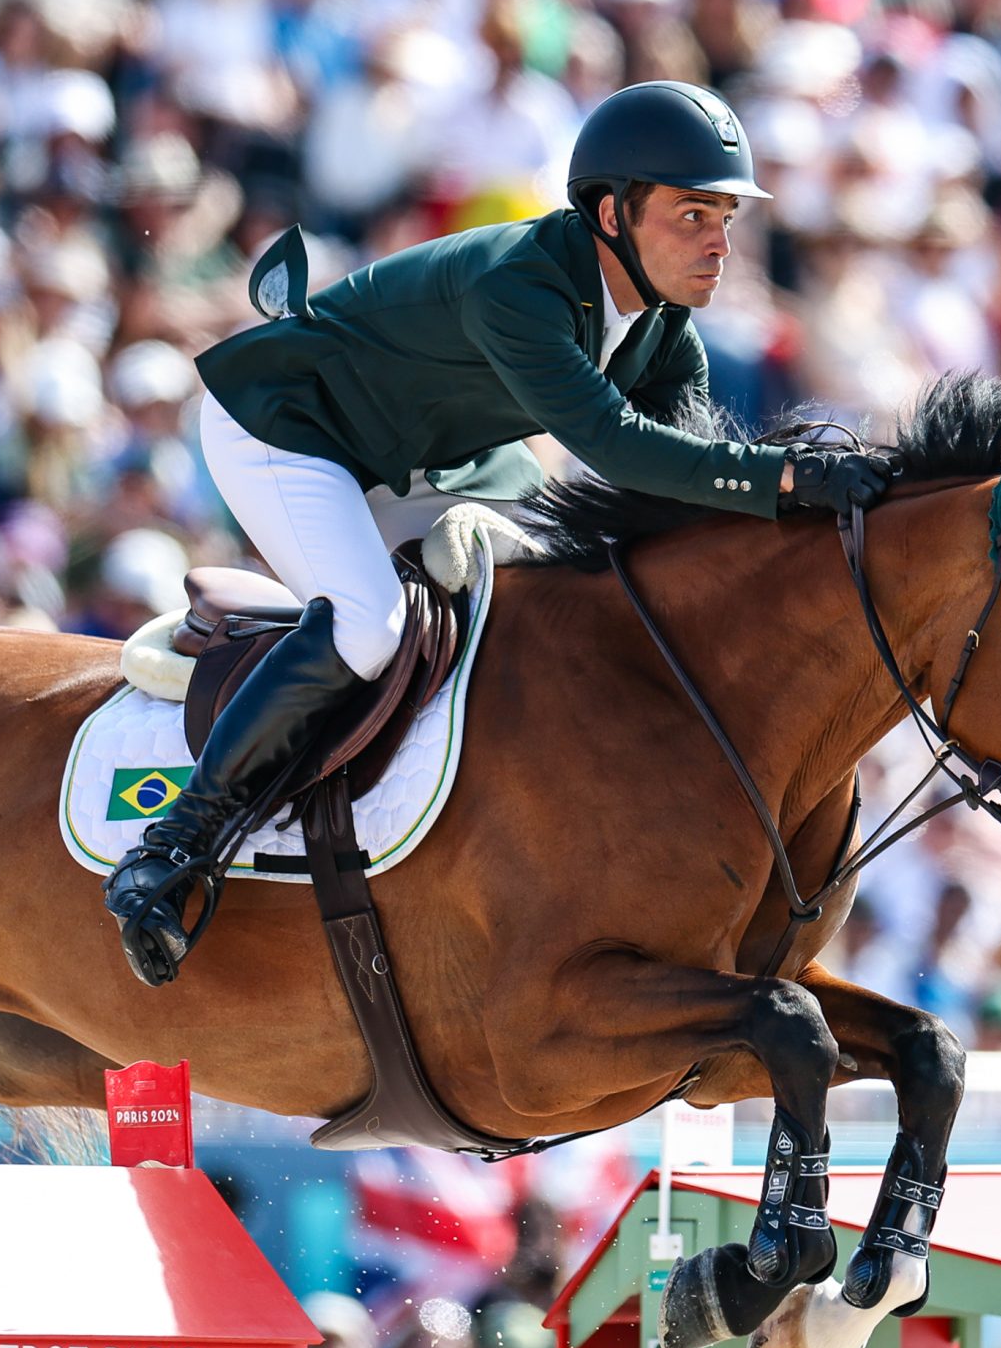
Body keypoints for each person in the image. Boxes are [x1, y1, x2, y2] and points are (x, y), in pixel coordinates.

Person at [100, 81, 900, 984]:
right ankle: (174, 847)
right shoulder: (520, 286)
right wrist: (788, 476)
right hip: (286, 428)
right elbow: (618, 449)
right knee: (369, 624)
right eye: (691, 215)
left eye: (724, 215)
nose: (720, 242)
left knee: (564, 587)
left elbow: (693, 504)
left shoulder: (667, 335)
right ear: (610, 213)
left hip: (430, 458)